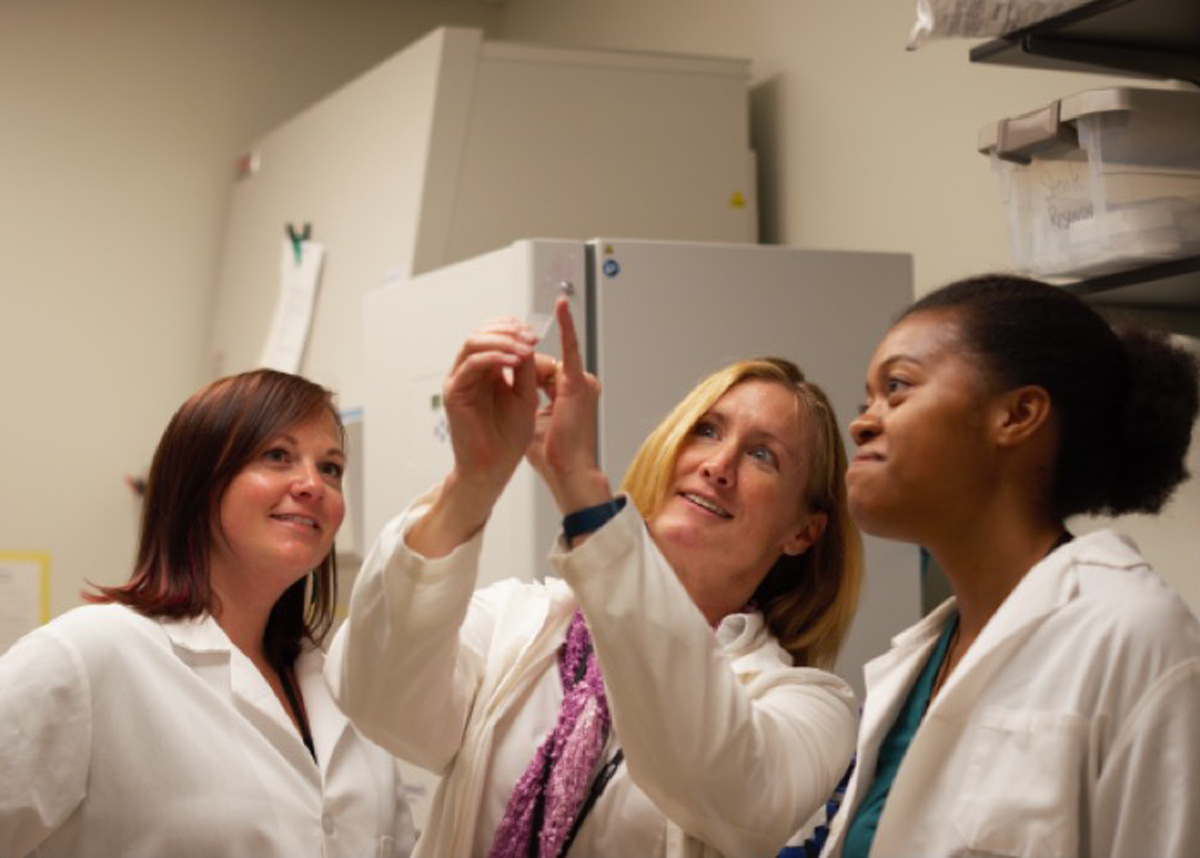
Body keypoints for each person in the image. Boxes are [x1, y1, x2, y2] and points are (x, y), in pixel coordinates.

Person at [326, 297, 862, 857]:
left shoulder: (811, 706)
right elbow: (375, 697)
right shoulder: (521, 623)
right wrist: (473, 479)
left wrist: (579, 486)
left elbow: (724, 784)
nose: (717, 465)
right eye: (706, 430)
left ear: (804, 531)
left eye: (762, 456)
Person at [822, 273, 1200, 857]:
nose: (863, 422)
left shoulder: (1133, 635)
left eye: (897, 388)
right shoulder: (914, 662)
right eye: (866, 399)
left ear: (1018, 414)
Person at [0, 369, 416, 858]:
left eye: (330, 468)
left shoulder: (343, 686)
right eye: (277, 456)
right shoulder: (89, 656)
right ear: (198, 484)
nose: (311, 484)